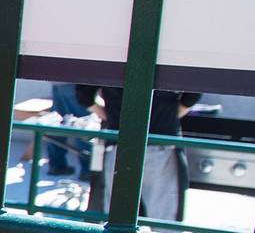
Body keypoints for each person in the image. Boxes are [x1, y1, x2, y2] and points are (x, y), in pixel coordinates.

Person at [77, 85, 201, 221]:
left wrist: (109, 115)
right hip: (160, 141)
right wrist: (170, 116)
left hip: (120, 140)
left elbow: (84, 94)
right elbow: (194, 93)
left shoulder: (110, 65)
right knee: (163, 216)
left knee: (117, 217)